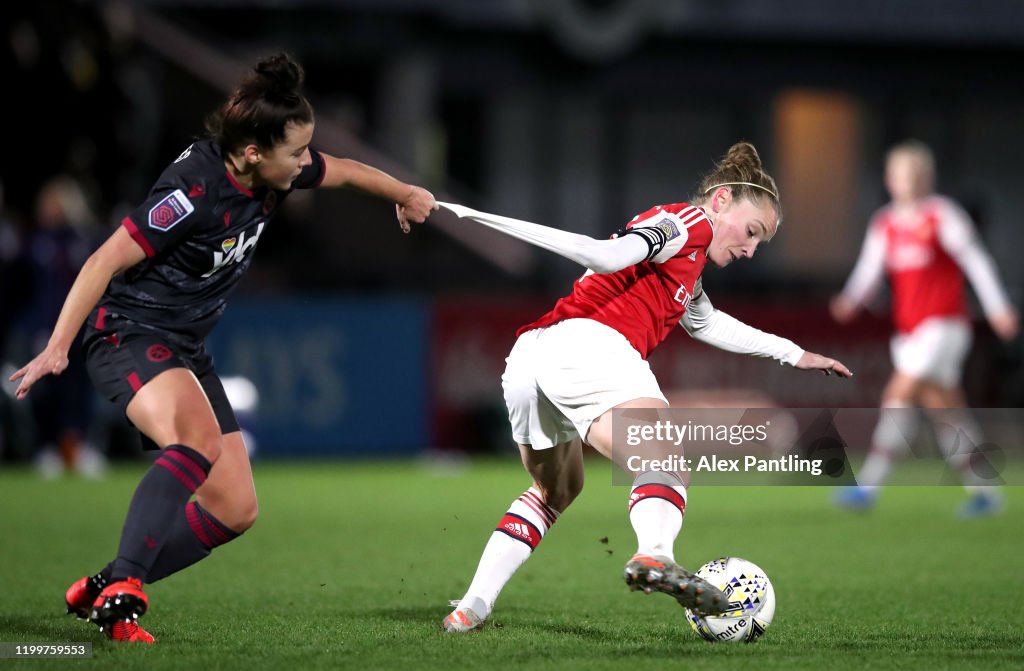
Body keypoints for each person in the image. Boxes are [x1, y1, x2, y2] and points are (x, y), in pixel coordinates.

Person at [10, 52, 438, 643]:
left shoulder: (274, 170)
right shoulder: (193, 190)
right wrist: (59, 347)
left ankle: (104, 582)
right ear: (254, 152)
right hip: (129, 332)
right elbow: (106, 257)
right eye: (294, 153)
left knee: (235, 507)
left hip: (184, 344)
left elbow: (338, 168)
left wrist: (405, 191)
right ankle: (125, 591)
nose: (304, 162)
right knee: (196, 442)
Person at [437, 142, 852, 632]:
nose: (750, 249)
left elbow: (707, 324)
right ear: (720, 201)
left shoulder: (690, 263)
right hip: (590, 344)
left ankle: (472, 607)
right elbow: (608, 255)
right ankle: (655, 555)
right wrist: (479, 218)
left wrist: (794, 354)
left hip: (530, 360)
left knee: (555, 490)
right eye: (751, 231)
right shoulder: (687, 224)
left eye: (760, 243)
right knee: (667, 463)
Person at [830, 140, 1019, 518]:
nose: (908, 183)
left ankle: (868, 486)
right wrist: (851, 298)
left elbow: (976, 261)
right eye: (901, 175)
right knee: (945, 410)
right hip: (909, 331)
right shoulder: (885, 222)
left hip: (945, 326)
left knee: (898, 392)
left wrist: (998, 307)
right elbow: (870, 268)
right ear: (889, 179)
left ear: (926, 178)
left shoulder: (942, 215)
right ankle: (986, 491)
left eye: (915, 175)